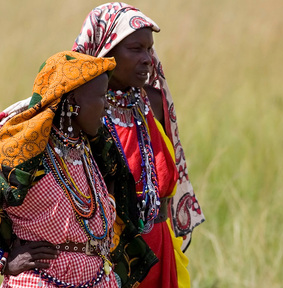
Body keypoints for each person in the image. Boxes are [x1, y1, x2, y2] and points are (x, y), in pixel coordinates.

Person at [0, 51, 120, 287]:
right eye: (101, 97)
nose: (107, 106)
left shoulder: (90, 147)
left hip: (97, 279)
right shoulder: (25, 153)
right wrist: (0, 262)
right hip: (42, 280)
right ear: (74, 101)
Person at [72, 3, 206, 288]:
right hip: (107, 257)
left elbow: (164, 189)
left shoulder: (152, 103)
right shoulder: (79, 111)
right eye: (136, 49)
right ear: (105, 50)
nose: (148, 58)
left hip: (159, 247)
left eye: (149, 49)